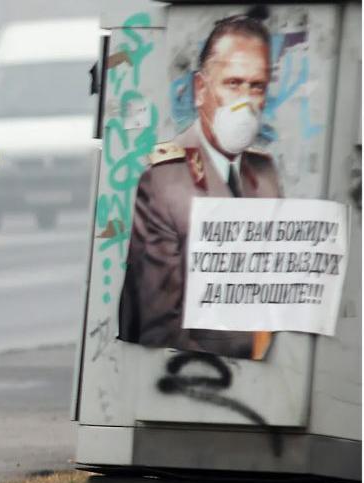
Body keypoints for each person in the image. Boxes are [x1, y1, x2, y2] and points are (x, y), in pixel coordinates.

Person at [118, 11, 280, 360]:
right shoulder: (166, 180)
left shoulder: (264, 173)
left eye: (257, 87)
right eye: (233, 84)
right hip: (207, 380)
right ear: (201, 89)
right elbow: (160, 323)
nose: (245, 101)